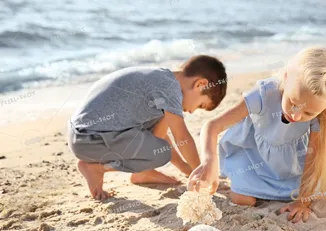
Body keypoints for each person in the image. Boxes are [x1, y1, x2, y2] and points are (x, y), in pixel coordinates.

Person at [187, 47, 326, 223]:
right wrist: (209, 161)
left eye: (308, 114)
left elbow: (312, 157)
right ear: (286, 77)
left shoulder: (318, 107)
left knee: (316, 193)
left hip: (293, 165)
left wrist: (302, 201)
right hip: (254, 159)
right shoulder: (264, 94)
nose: (296, 115)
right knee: (241, 200)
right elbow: (212, 126)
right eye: (292, 102)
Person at [68, 55, 227, 200]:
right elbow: (182, 137)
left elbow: (159, 137)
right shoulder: (170, 89)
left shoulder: (161, 80)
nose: (192, 111)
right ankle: (96, 168)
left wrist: (187, 169)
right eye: (200, 105)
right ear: (200, 84)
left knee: (159, 129)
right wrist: (201, 173)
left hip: (82, 135)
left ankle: (143, 172)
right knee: (161, 152)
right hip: (89, 139)